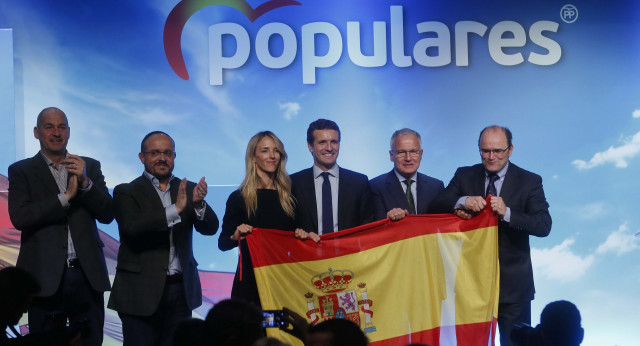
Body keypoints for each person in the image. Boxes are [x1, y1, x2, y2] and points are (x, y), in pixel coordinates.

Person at [435, 125, 552, 346]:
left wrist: (507, 213)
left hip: (513, 287)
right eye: (485, 151)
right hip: (470, 283)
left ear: (510, 150)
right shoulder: (464, 174)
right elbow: (437, 204)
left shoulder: (530, 181)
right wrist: (463, 200)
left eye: (498, 151)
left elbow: (544, 225)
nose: (491, 157)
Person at [8, 107, 113, 345]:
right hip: (43, 278)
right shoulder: (21, 170)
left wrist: (86, 183)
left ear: (69, 132)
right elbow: (21, 217)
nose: (56, 133)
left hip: (87, 277)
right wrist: (65, 198)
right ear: (37, 132)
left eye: (62, 127)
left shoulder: (89, 166)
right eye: (49, 127)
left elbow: (107, 213)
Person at [107, 131, 219, 346]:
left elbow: (211, 228)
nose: (162, 158)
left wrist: (197, 204)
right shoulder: (126, 191)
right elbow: (132, 227)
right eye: (155, 152)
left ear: (174, 157)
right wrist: (175, 209)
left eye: (167, 153)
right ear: (142, 157)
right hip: (139, 293)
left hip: (181, 291)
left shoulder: (187, 188)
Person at [219, 131, 317, 308]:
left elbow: (299, 234)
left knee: (280, 333)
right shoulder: (239, 198)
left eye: (276, 150)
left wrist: (302, 235)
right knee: (251, 334)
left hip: (283, 283)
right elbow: (223, 243)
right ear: (253, 157)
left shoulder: (290, 198)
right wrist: (236, 236)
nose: (272, 156)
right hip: (250, 285)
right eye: (265, 150)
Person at [290, 119, 374, 235]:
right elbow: (287, 227)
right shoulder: (293, 183)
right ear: (310, 146)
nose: (329, 148)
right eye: (322, 142)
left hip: (349, 252)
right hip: (307, 252)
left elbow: (369, 227)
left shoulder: (359, 182)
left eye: (334, 142)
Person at [370, 128, 444, 221]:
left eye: (413, 152)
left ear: (421, 154)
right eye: (401, 152)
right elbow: (371, 226)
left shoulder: (436, 187)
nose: (408, 158)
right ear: (391, 155)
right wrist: (387, 219)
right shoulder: (375, 187)